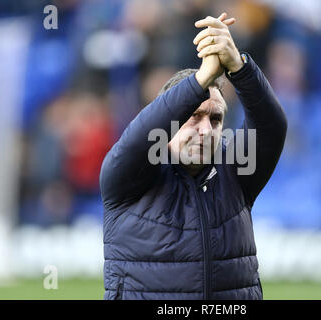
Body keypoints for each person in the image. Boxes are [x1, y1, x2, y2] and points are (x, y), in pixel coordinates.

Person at [100, 12, 287, 300]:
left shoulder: (235, 170)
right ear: (170, 119)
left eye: (215, 120)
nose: (205, 130)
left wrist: (238, 66)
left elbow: (272, 128)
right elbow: (139, 137)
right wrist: (203, 78)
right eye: (193, 116)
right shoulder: (130, 173)